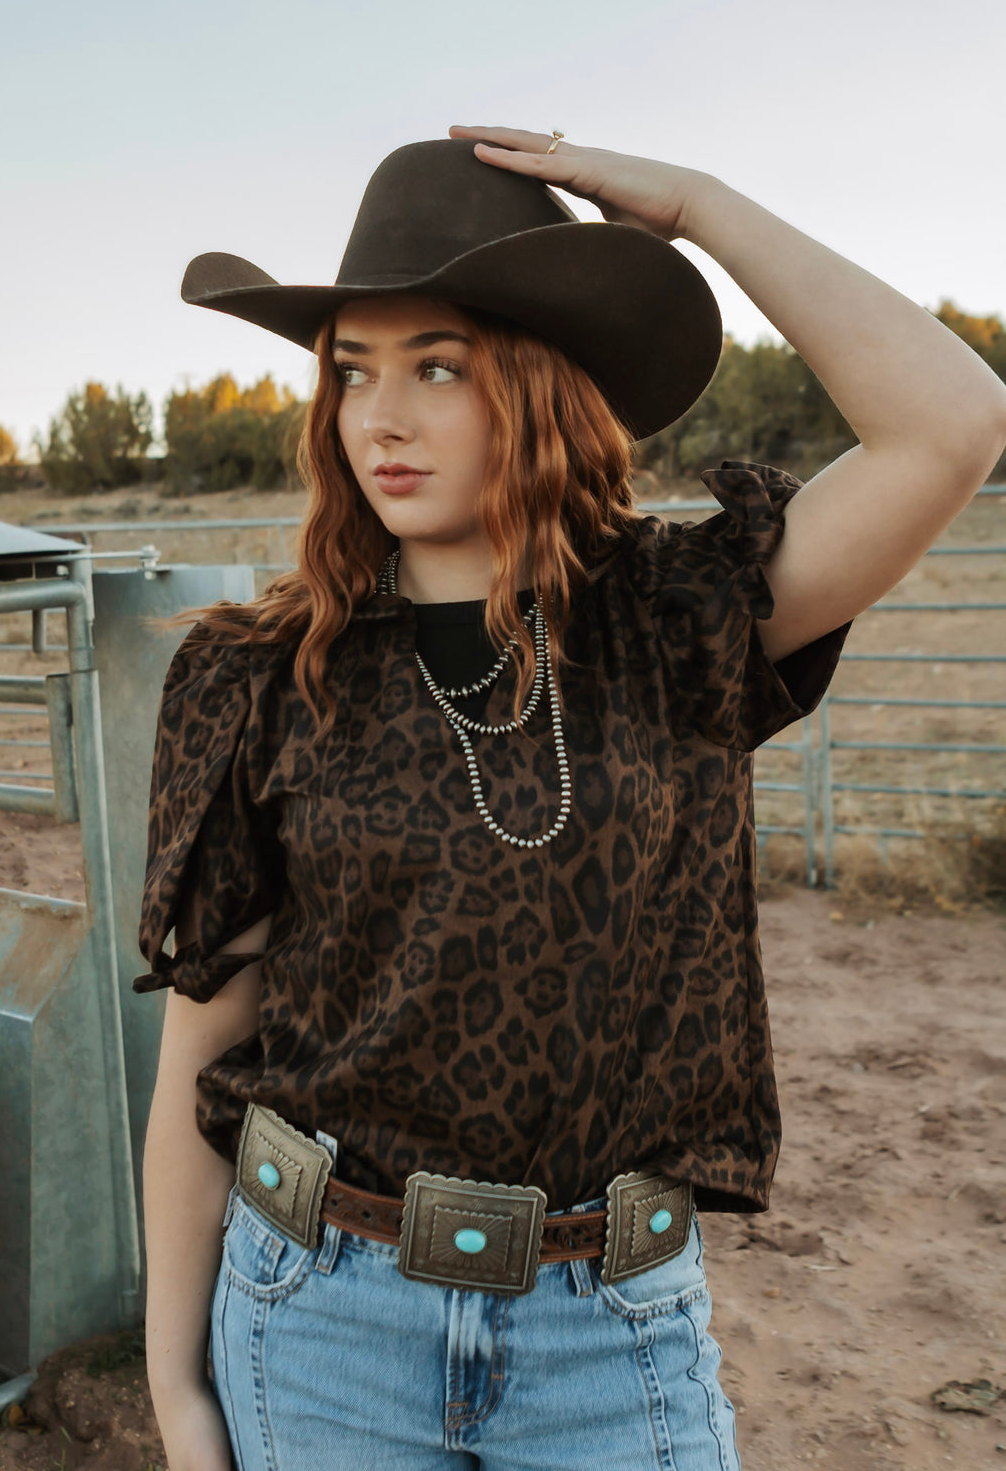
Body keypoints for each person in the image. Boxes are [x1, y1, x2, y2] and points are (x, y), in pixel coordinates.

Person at [134, 127, 1006, 1471]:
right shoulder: (257, 676)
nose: (381, 415)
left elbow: (952, 422)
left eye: (439, 365)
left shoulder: (676, 623)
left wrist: (699, 206)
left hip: (612, 1332)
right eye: (352, 370)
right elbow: (207, 1044)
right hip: (320, 1320)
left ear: (538, 384)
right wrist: (172, 1376)